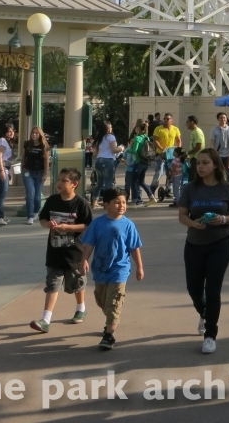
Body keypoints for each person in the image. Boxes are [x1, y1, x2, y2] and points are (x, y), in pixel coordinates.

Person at [177, 149, 229, 354]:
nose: (200, 167)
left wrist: (223, 219)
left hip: (220, 243)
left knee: (213, 290)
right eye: (198, 164)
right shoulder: (190, 188)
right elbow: (182, 215)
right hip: (194, 243)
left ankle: (210, 335)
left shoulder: (228, 188)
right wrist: (193, 224)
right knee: (194, 289)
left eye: (205, 163)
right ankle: (205, 312)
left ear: (215, 165)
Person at [80, 187, 144, 350]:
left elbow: (134, 247)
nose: (121, 205)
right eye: (117, 202)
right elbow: (89, 244)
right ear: (106, 204)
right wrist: (84, 260)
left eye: (124, 202)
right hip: (101, 268)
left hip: (120, 269)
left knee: (114, 302)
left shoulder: (128, 224)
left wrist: (139, 267)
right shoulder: (98, 223)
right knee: (102, 300)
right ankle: (110, 321)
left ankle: (109, 335)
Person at [30, 168, 93, 333]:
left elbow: (88, 225)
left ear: (74, 184)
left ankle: (81, 308)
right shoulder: (52, 200)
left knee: (76, 284)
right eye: (58, 180)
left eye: (64, 181)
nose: (59, 183)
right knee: (52, 284)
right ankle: (45, 319)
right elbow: (43, 219)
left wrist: (68, 227)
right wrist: (48, 225)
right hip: (54, 251)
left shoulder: (81, 203)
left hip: (75, 252)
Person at [23, 126, 51, 224]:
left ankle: (36, 211)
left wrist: (45, 174)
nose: (34, 134)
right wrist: (22, 167)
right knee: (30, 194)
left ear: (40, 134)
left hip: (39, 173)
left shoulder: (44, 146)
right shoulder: (27, 144)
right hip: (28, 172)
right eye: (33, 133)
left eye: (36, 133)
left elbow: (46, 161)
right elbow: (24, 156)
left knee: (37, 196)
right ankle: (30, 216)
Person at [126, 122, 156, 206]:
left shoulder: (137, 138)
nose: (135, 129)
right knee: (141, 181)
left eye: (136, 127)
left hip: (138, 162)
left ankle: (136, 200)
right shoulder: (146, 137)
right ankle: (151, 197)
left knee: (134, 181)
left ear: (140, 129)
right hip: (146, 161)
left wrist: (127, 150)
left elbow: (134, 151)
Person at [151, 114, 182, 199]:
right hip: (160, 154)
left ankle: (168, 190)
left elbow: (178, 140)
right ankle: (152, 189)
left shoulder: (175, 129)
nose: (165, 120)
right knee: (159, 172)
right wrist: (161, 148)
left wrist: (178, 150)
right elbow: (155, 140)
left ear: (171, 120)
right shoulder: (158, 129)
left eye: (167, 119)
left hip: (170, 155)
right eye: (164, 119)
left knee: (170, 173)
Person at [92, 121, 122, 206]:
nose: (112, 128)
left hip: (99, 161)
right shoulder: (111, 137)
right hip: (108, 160)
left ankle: (95, 201)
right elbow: (114, 150)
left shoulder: (99, 138)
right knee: (108, 183)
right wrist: (121, 148)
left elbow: (95, 153)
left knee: (99, 183)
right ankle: (107, 202)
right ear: (107, 129)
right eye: (110, 127)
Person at [0, 124, 15, 226]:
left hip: (5, 168)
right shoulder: (2, 140)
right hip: (1, 168)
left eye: (12, 131)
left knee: (2, 193)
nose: (11, 133)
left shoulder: (7, 142)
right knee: (1, 194)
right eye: (9, 131)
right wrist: (2, 170)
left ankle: (0, 215)